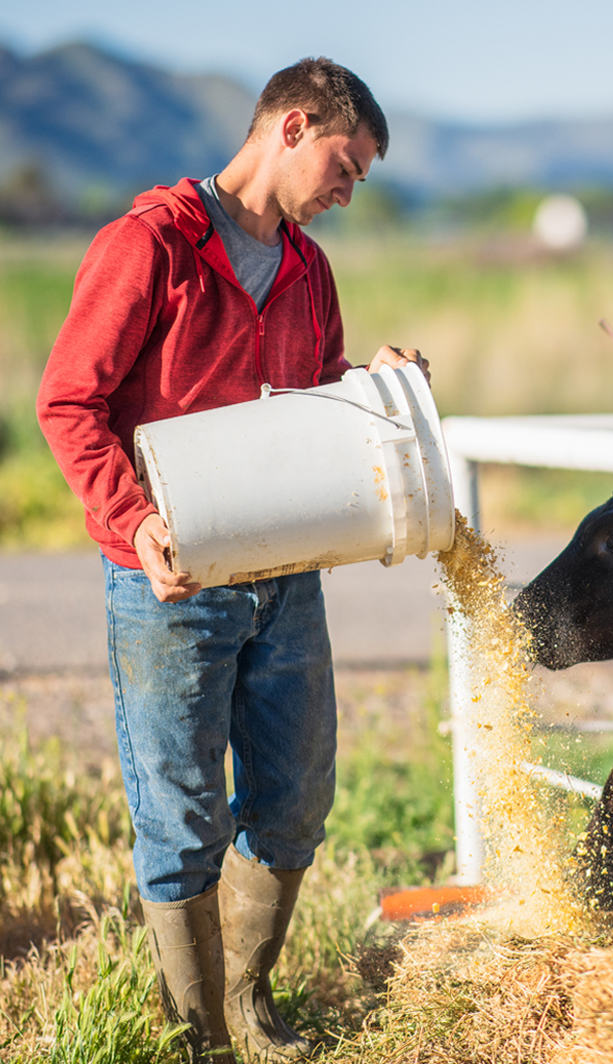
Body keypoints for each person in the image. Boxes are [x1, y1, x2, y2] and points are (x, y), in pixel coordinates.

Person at [36, 57, 425, 1062]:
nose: (350, 189)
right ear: (293, 127)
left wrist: (370, 386)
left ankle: (250, 1003)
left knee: (295, 795)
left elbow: (313, 392)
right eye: (347, 164)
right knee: (181, 809)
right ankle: (199, 1031)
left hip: (287, 575)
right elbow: (70, 404)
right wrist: (133, 521)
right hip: (170, 579)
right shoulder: (149, 245)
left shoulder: (309, 269)